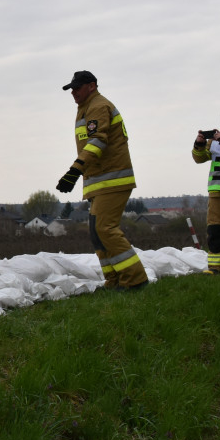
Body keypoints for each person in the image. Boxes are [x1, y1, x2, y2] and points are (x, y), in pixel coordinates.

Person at [56, 70, 148, 290]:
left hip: (112, 179)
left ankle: (135, 280)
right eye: (71, 89)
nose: (74, 93)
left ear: (92, 86)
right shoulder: (86, 108)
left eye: (77, 88)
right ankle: (114, 280)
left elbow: (98, 140)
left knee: (105, 229)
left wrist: (74, 170)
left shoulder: (98, 106)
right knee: (98, 233)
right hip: (99, 181)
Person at [191, 104, 220, 274]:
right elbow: (199, 159)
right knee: (216, 230)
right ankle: (217, 267)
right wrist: (199, 145)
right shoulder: (213, 141)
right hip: (217, 192)